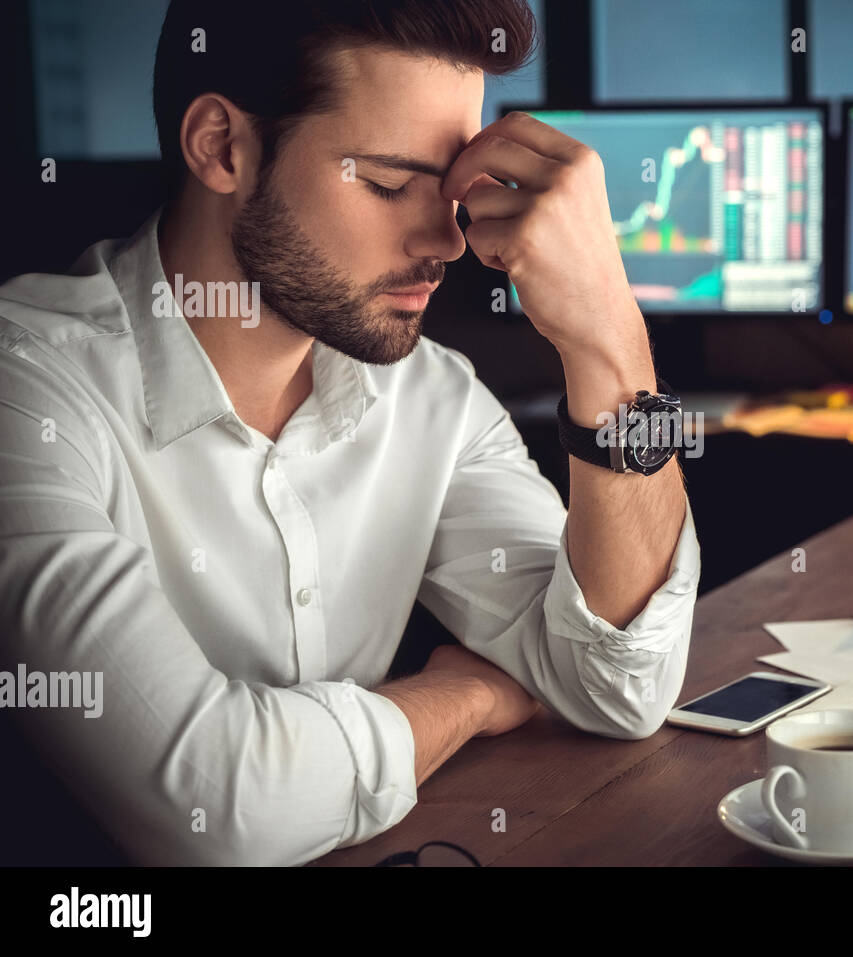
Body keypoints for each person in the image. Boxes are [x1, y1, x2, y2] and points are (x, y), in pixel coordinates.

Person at [0, 0, 699, 866]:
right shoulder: (23, 391)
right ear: (222, 146)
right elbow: (217, 804)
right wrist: (464, 695)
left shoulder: (432, 399)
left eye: (454, 191)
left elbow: (620, 685)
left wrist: (611, 340)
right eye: (387, 182)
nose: (447, 241)